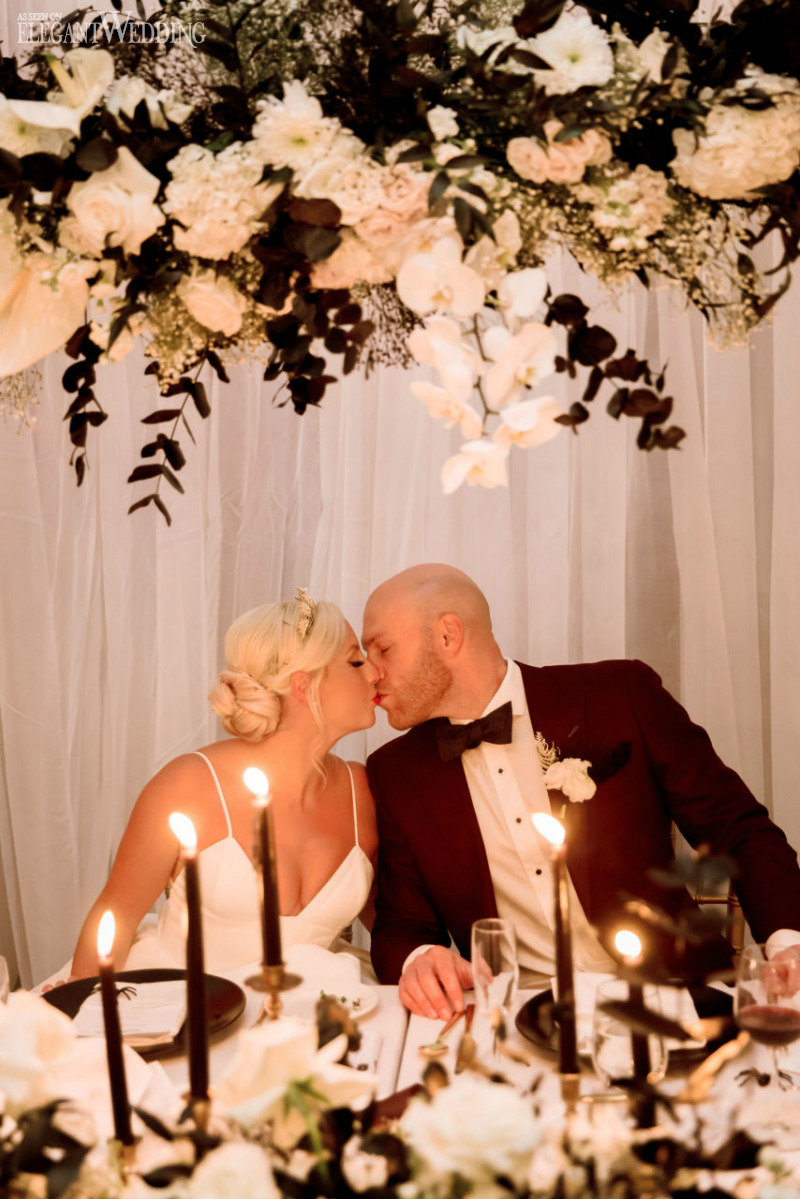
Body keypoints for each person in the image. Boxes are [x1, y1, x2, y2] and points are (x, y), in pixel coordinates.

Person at [362, 564, 800, 1018]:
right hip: (520, 1019)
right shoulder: (396, 773)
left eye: (383, 649)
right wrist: (417, 959)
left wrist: (789, 941)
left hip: (681, 998)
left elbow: (737, 829)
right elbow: (403, 925)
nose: (371, 673)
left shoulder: (620, 696)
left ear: (448, 636)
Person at [68, 590, 379, 979]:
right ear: (304, 686)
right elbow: (115, 917)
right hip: (182, 1006)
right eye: (355, 661)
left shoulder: (361, 791)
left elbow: (393, 926)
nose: (374, 673)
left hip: (313, 1011)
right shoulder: (188, 786)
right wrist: (79, 1007)